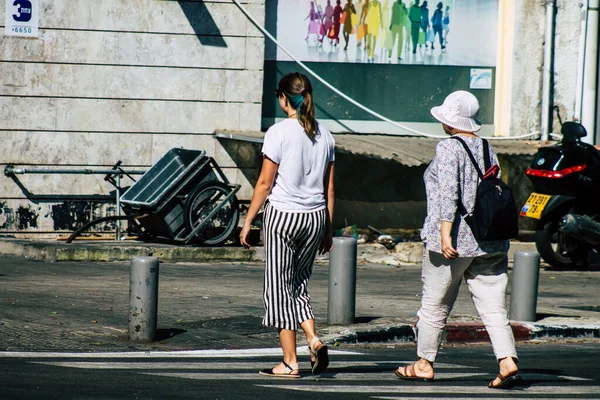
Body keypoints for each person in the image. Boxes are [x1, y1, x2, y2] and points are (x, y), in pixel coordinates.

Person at [395, 91, 520, 390]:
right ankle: (507, 359)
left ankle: (424, 363)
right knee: (493, 307)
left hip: (455, 240)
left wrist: (444, 234)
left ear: (450, 122)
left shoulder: (448, 148)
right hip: (490, 240)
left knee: (435, 304)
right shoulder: (489, 148)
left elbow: (449, 193)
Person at [240, 72, 336, 378]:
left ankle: (290, 361)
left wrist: (248, 221)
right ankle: (313, 338)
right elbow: (329, 188)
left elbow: (265, 182)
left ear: (284, 98)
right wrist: (328, 229)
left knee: (278, 288)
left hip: (283, 216)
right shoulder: (326, 134)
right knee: (299, 284)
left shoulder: (278, 132)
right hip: (315, 217)